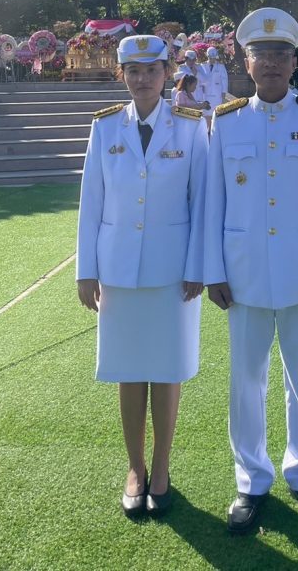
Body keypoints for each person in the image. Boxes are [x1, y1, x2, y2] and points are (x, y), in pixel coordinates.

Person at [204, 7, 298, 535]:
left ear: (293, 63)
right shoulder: (226, 120)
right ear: (246, 62)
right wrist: (213, 269)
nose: (270, 63)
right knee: (245, 381)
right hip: (241, 273)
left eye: (280, 54)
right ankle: (251, 479)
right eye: (260, 54)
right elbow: (214, 203)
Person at [76, 34, 207, 517]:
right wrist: (86, 270)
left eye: (152, 70)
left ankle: (163, 465)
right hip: (118, 269)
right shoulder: (105, 127)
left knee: (167, 371)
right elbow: (92, 201)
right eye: (133, 71)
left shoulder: (191, 128)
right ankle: (135, 467)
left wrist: (198, 265)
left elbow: (202, 202)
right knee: (129, 371)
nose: (142, 79)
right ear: (122, 75)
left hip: (174, 272)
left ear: (167, 74)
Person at [197, 46, 229, 116]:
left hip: (217, 95)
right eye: (210, 58)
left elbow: (224, 81)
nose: (212, 60)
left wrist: (223, 95)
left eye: (214, 58)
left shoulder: (221, 67)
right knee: (206, 114)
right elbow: (199, 81)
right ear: (207, 56)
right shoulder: (202, 66)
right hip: (205, 95)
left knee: (216, 114)